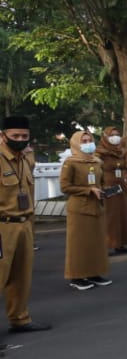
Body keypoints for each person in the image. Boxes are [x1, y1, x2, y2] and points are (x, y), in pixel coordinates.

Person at [0, 116, 49, 334]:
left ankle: (20, 318)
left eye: (24, 136)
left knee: (22, 276)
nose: (20, 139)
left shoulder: (26, 159)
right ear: (3, 136)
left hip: (24, 223)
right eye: (15, 136)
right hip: (3, 226)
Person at [60, 130, 112, 291]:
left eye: (90, 140)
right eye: (84, 141)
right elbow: (65, 187)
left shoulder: (97, 161)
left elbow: (101, 182)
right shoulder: (71, 162)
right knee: (78, 244)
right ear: (76, 143)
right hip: (79, 208)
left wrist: (105, 190)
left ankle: (93, 273)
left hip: (97, 206)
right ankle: (76, 276)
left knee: (95, 243)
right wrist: (88, 190)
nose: (88, 143)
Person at [97, 126, 127, 254]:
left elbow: (125, 167)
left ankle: (120, 244)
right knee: (110, 215)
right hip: (108, 185)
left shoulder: (120, 152)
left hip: (121, 185)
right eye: (112, 135)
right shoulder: (100, 153)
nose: (115, 137)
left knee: (121, 214)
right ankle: (107, 245)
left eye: (117, 134)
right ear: (105, 137)